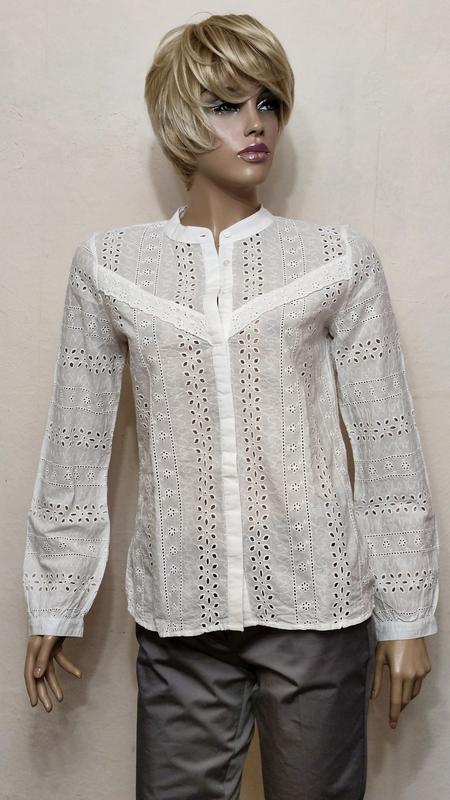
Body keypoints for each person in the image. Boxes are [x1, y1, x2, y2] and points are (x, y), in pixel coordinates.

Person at [23, 12, 439, 800]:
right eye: (225, 105)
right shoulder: (110, 266)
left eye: (268, 102)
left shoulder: (336, 260)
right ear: (179, 117)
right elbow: (76, 442)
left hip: (319, 608)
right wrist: (56, 597)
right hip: (179, 617)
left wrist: (407, 614)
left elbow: (387, 446)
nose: (256, 124)